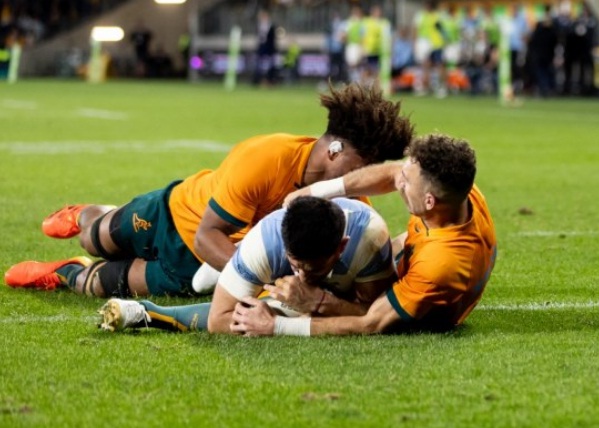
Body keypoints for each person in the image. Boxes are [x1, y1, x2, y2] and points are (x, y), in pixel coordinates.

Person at [4, 83, 414, 299]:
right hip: (175, 214)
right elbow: (207, 234)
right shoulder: (267, 157)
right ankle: (82, 215)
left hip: (197, 265)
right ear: (335, 149)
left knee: (99, 284)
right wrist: (259, 281)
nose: (363, 179)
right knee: (95, 239)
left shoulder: (346, 206)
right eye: (364, 166)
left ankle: (63, 272)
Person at [230, 133, 497, 336]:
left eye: (406, 182)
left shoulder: (439, 264)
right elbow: (392, 174)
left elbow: (371, 322)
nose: (399, 181)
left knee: (338, 299)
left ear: (429, 201)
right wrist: (316, 191)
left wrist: (279, 325)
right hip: (417, 257)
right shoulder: (455, 191)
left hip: (421, 314)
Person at [99, 196, 396, 333]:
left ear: (341, 247)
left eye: (314, 268)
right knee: (206, 288)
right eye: (296, 265)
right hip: (263, 260)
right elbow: (218, 321)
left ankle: (150, 312)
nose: (303, 275)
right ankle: (238, 268)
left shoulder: (368, 238)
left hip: (342, 285)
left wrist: (318, 302)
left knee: (280, 309)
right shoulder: (266, 241)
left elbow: (375, 316)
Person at [252, 9, 277, 86]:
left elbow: (272, 39)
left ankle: (270, 80)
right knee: (259, 65)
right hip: (261, 48)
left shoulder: (271, 26)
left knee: (270, 65)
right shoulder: (259, 26)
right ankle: (258, 80)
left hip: (269, 49)